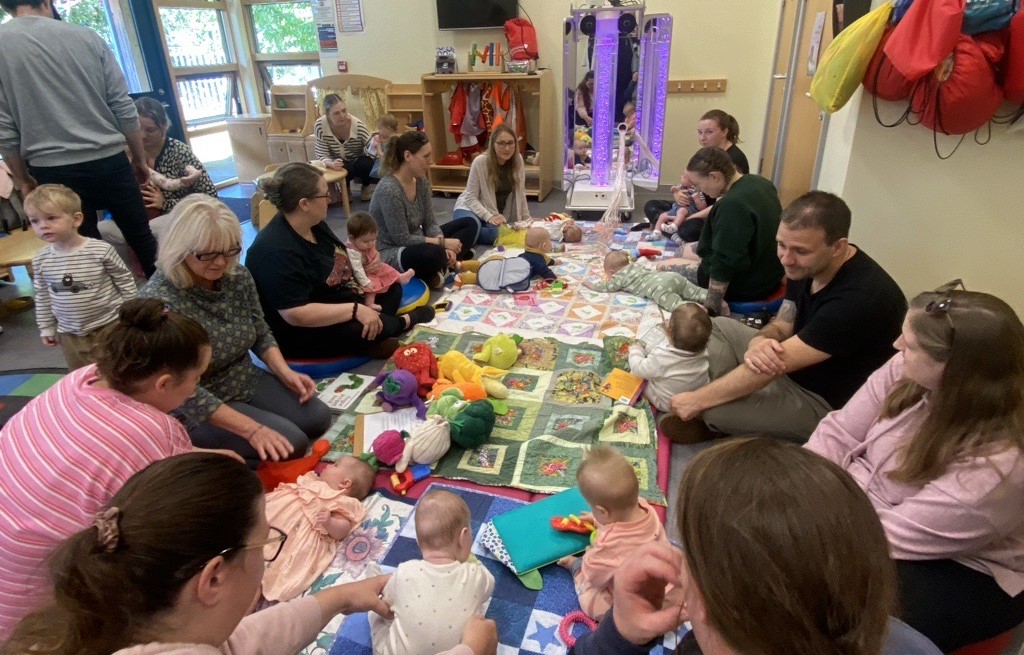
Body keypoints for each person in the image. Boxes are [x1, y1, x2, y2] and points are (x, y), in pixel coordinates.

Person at [2, 452, 500, 655]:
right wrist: (469, 651)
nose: (269, 552)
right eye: (266, 543)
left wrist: (333, 600)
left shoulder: (150, 627)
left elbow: (239, 644)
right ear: (213, 578)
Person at [568, 439, 945, 655]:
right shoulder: (907, 642)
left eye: (693, 559)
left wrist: (617, 636)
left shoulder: (698, 648)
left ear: (711, 608)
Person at [806, 284, 1024, 653]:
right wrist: (802, 484)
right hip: (866, 511)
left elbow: (893, 535)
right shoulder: (906, 369)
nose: (896, 347)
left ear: (954, 370)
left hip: (960, 566)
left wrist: (808, 518)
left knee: (832, 603)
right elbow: (839, 431)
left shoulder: (1002, 466)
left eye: (910, 345)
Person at [0, 299, 213, 636]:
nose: (196, 390)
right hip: (41, 609)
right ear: (163, 383)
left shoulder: (84, 377)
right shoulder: (153, 430)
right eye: (197, 378)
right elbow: (174, 520)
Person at [667, 191, 907, 442]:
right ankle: (738, 395)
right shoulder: (805, 265)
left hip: (823, 400)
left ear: (838, 247)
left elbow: (774, 367)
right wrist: (760, 341)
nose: (786, 259)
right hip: (790, 365)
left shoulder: (859, 298)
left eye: (800, 251)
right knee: (716, 326)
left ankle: (723, 414)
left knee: (715, 409)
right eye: (781, 245)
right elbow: (783, 322)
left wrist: (697, 400)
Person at [139, 195, 332, 465]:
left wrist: (285, 372)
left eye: (230, 250)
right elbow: (180, 389)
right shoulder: (161, 303)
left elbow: (260, 331)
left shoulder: (236, 276)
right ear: (179, 248)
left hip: (242, 376)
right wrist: (252, 429)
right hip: (194, 400)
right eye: (208, 254)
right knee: (292, 443)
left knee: (319, 417)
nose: (220, 262)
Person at [0, 0, 158, 276]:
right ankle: (170, 310)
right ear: (47, 2)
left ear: (6, 7)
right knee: (142, 237)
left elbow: (4, 128)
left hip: (53, 167)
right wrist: (139, 159)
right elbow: (122, 106)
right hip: (109, 158)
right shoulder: (87, 37)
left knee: (81, 248)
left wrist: (23, 181)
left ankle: (104, 313)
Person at [247, 163, 434, 360]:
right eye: (324, 194)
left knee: (392, 289)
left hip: (335, 299)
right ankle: (403, 322)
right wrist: (355, 309)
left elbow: (340, 257)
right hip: (300, 331)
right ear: (304, 204)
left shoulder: (315, 224)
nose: (329, 199)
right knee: (363, 325)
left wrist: (365, 266)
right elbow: (295, 315)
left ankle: (372, 337)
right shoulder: (275, 250)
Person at [370, 489, 495, 655]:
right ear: (463, 537)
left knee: (378, 612)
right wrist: (472, 563)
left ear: (417, 541)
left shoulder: (404, 571)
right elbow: (489, 586)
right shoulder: (475, 574)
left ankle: (371, 575)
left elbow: (386, 602)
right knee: (481, 629)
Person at [98, 97, 217, 271]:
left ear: (164, 127)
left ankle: (160, 274)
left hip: (177, 213)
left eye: (150, 130)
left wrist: (166, 203)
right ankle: (129, 276)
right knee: (104, 228)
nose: (143, 135)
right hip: (136, 211)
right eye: (137, 129)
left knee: (150, 230)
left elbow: (210, 197)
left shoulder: (178, 151)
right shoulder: (127, 152)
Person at [26, 184, 136, 370]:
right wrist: (46, 326)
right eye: (35, 221)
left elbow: (124, 280)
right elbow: (43, 296)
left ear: (76, 220)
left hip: (109, 325)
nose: (43, 226)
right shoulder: (41, 260)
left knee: (119, 370)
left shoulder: (100, 250)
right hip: (70, 334)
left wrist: (130, 312)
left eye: (51, 218)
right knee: (82, 376)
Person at [663, 147, 784, 315]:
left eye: (699, 185)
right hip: (767, 271)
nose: (700, 190)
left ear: (714, 176)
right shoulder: (760, 182)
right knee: (680, 250)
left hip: (747, 285)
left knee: (662, 266)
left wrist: (712, 307)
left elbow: (724, 262)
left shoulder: (732, 205)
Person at [557, 446, 668, 621]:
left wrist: (586, 560)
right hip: (665, 585)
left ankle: (574, 567)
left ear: (603, 511)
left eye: (592, 508)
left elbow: (595, 578)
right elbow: (615, 518)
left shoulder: (608, 545)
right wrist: (596, 519)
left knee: (593, 599)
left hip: (639, 606)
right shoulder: (645, 507)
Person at [369, 131, 478, 288]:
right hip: (393, 250)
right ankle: (444, 264)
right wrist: (442, 243)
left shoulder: (421, 181)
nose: (431, 161)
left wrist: (442, 242)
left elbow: (430, 223)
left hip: (419, 240)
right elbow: (402, 239)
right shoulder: (389, 189)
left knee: (469, 224)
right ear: (407, 156)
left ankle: (443, 264)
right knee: (434, 254)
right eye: (425, 156)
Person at [261, 456, 376, 602]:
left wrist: (329, 522)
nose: (327, 465)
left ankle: (239, 620)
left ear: (345, 483)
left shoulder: (342, 500)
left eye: (335, 464)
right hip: (274, 516)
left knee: (261, 574)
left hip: (290, 538)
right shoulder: (312, 481)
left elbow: (343, 529)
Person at [639, 110, 748, 237]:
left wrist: (689, 218)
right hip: (692, 206)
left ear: (724, 132)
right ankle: (670, 227)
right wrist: (679, 193)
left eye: (709, 132)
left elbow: (723, 204)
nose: (702, 138)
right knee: (651, 205)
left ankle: (669, 228)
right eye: (700, 132)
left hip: (709, 211)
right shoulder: (707, 151)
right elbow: (692, 180)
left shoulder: (734, 160)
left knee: (689, 229)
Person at [452, 125, 532, 247]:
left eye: (511, 143)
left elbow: (521, 193)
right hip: (469, 207)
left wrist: (527, 220)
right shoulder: (480, 161)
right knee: (474, 226)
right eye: (501, 143)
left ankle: (462, 233)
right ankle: (463, 231)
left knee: (498, 233)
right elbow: (470, 197)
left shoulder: (518, 160)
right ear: (493, 144)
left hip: (493, 212)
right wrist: (488, 217)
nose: (507, 148)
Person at [628, 304, 711, 414]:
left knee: (634, 374)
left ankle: (667, 416)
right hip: (698, 396)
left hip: (667, 403)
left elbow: (639, 368)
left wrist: (635, 350)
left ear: (668, 332)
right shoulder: (703, 350)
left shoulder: (661, 357)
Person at [587, 251, 715, 314]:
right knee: (695, 291)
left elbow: (607, 287)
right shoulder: (635, 265)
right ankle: (716, 299)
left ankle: (698, 309)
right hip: (670, 276)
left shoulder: (618, 277)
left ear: (611, 272)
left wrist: (591, 285)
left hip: (659, 287)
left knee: (675, 304)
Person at [313, 93, 378, 202]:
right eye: (336, 113)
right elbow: (321, 153)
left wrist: (375, 144)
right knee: (343, 164)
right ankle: (345, 190)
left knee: (367, 163)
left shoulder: (357, 125)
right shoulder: (320, 125)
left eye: (344, 110)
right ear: (327, 115)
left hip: (357, 160)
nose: (342, 115)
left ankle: (366, 189)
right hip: (337, 162)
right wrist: (330, 163)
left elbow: (370, 148)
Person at [346, 210, 415, 311]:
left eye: (373, 240)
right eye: (366, 241)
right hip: (362, 274)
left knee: (387, 268)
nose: (370, 244)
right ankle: (370, 303)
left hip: (371, 266)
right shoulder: (353, 251)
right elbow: (357, 270)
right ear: (352, 239)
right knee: (371, 285)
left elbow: (373, 254)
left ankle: (399, 277)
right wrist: (365, 282)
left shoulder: (364, 243)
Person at [366, 112, 398, 180]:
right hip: (386, 173)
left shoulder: (393, 142)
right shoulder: (390, 139)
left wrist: (378, 147)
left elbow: (385, 159)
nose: (379, 131)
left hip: (388, 173)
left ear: (388, 129)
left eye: (380, 129)